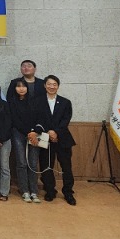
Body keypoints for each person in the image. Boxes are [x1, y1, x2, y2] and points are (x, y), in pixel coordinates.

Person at [30, 74, 76, 205]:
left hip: (62, 138)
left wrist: (56, 132)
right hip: (44, 138)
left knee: (66, 167)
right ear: (45, 86)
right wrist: (48, 132)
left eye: (54, 84)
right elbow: (36, 119)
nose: (52, 86)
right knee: (46, 166)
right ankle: (50, 191)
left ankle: (68, 192)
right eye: (49, 84)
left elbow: (66, 119)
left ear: (58, 86)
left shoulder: (65, 102)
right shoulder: (37, 101)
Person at [8, 77, 41, 203]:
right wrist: (27, 132)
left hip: (34, 134)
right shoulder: (11, 102)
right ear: (14, 88)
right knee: (21, 163)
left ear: (27, 88)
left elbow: (39, 117)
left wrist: (34, 131)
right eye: (18, 86)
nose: (21, 89)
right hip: (18, 133)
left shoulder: (34, 101)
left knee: (33, 163)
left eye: (23, 86)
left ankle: (34, 191)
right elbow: (14, 120)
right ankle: (24, 190)